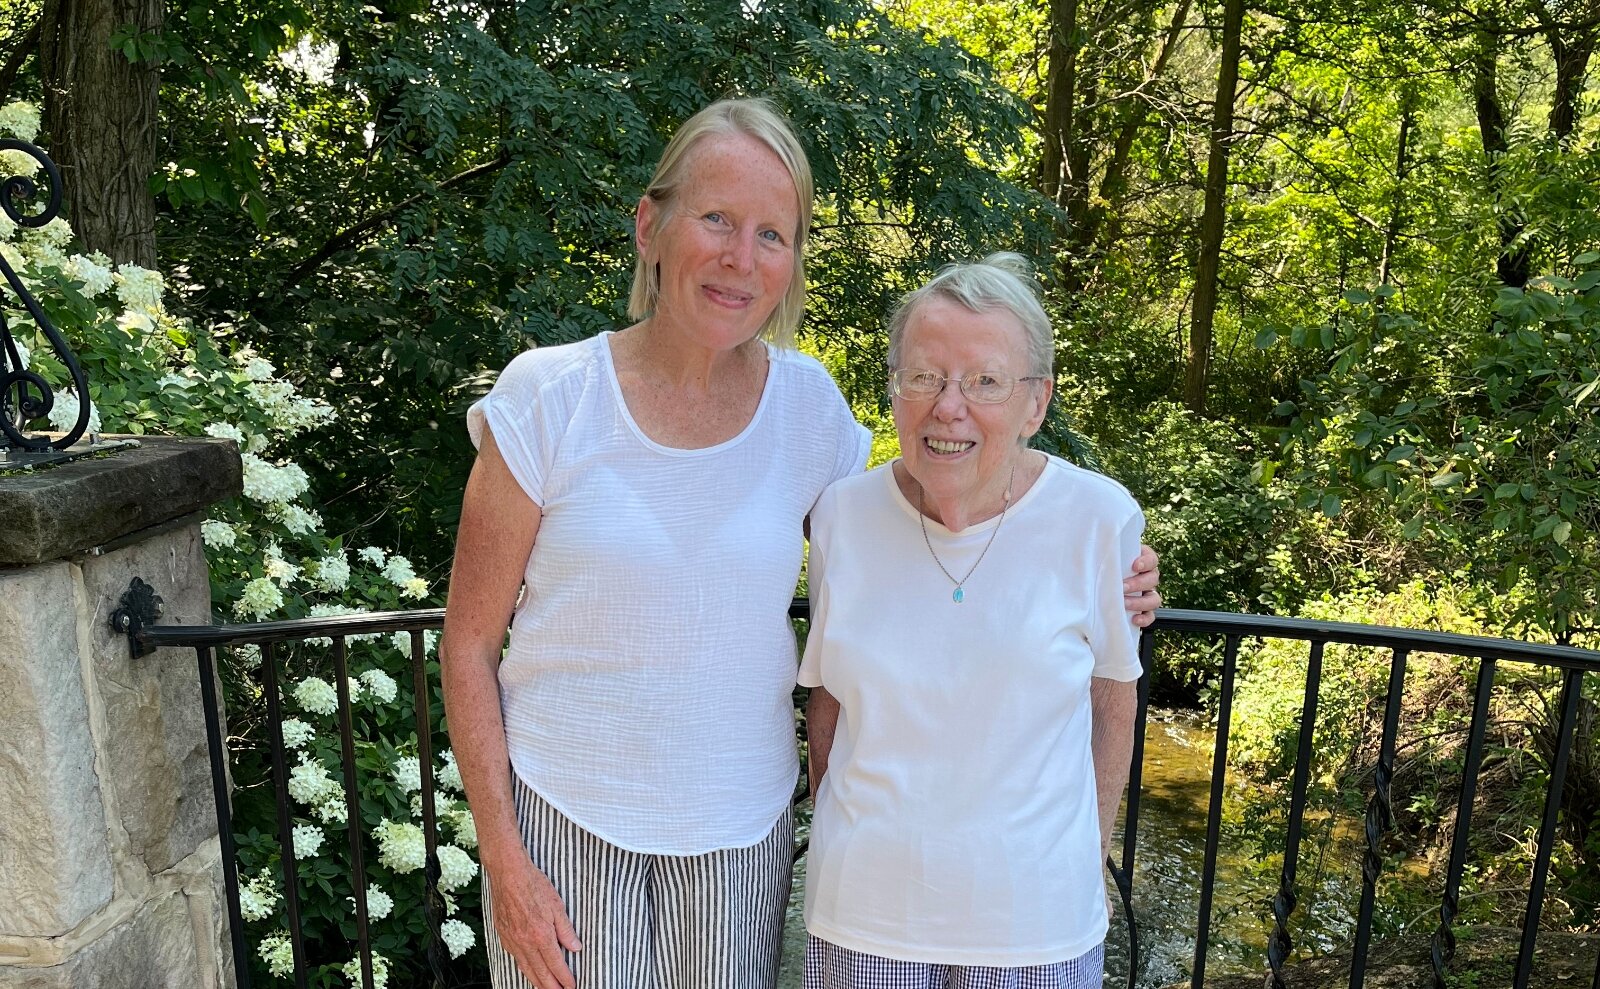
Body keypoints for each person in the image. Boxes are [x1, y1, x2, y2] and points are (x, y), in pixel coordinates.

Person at [439, 100, 1161, 989]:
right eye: (717, 219)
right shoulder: (549, 398)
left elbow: (934, 485)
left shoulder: (810, 410)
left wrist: (1097, 548)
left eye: (772, 234)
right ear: (649, 225)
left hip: (742, 839)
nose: (742, 258)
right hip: (563, 821)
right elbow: (467, 646)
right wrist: (505, 867)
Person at [800, 254, 1142, 989]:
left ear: (1035, 403)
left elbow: (1113, 702)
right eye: (924, 375)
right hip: (862, 919)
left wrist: (1089, 854)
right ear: (895, 390)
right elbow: (826, 707)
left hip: (1037, 928)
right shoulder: (841, 518)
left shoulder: (1098, 520)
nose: (948, 406)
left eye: (985, 381)